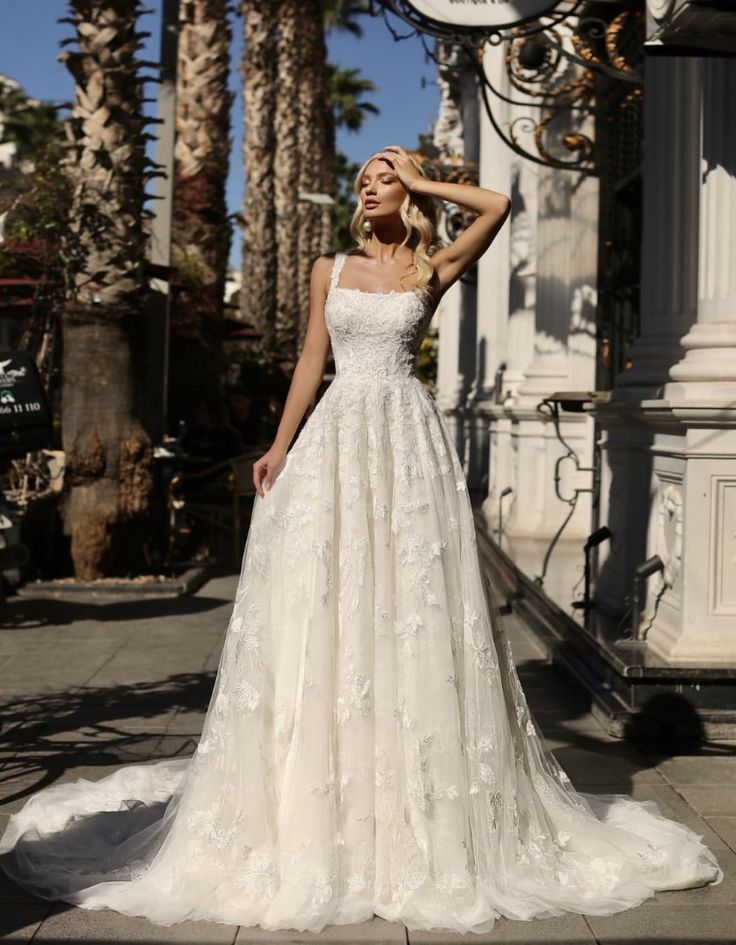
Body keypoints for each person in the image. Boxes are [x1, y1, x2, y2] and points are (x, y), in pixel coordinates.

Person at [0, 146, 722, 934]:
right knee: (328, 597)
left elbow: (496, 206)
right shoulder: (329, 267)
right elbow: (313, 357)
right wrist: (279, 443)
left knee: (408, 604)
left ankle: (414, 802)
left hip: (406, 447)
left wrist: (418, 179)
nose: (373, 186)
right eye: (368, 179)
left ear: (405, 190)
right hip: (339, 440)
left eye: (386, 177)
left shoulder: (433, 268)